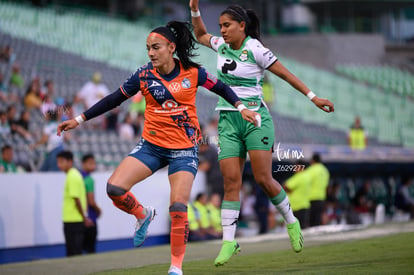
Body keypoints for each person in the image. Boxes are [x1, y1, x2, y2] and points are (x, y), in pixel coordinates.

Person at [57, 20, 259, 275]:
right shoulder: (143, 75)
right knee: (114, 188)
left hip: (184, 150)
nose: (151, 53)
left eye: (156, 47)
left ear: (171, 48)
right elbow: (113, 99)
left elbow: (222, 87)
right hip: (151, 146)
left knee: (177, 206)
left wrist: (242, 107)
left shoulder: (193, 73)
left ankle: (175, 267)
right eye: (148, 48)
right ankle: (143, 215)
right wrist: (78, 119)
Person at [190, 1, 334, 265]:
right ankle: (229, 242)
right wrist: (194, 9)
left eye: (227, 25)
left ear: (242, 26)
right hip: (228, 121)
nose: (221, 31)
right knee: (231, 183)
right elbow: (199, 34)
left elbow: (286, 75)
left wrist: (314, 97)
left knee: (263, 178)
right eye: (220, 26)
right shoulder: (220, 45)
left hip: (256, 120)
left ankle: (292, 222)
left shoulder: (255, 49)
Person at [56, 150, 93, 257]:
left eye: (61, 162)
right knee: (74, 253)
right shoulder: (73, 175)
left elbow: (76, 199)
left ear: (70, 161)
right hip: (74, 220)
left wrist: (84, 218)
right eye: (58, 162)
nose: (59, 165)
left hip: (73, 221)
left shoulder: (72, 176)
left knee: (73, 254)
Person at [80, 153, 102, 253]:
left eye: (94, 163)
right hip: (90, 217)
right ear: (83, 164)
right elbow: (91, 201)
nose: (93, 166)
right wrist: (99, 210)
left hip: (80, 217)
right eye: (90, 163)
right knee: (90, 249)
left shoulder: (78, 177)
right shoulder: (89, 180)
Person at [283, 162, 311, 229]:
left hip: (296, 206)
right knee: (302, 227)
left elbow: (285, 186)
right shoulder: (308, 176)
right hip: (305, 204)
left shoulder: (299, 176)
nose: (294, 169)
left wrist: (290, 190)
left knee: (295, 228)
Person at [306, 153, 330, 227]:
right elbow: (326, 187)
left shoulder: (311, 169)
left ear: (313, 161)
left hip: (311, 198)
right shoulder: (325, 170)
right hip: (321, 199)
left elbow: (305, 183)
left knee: (311, 222)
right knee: (318, 221)